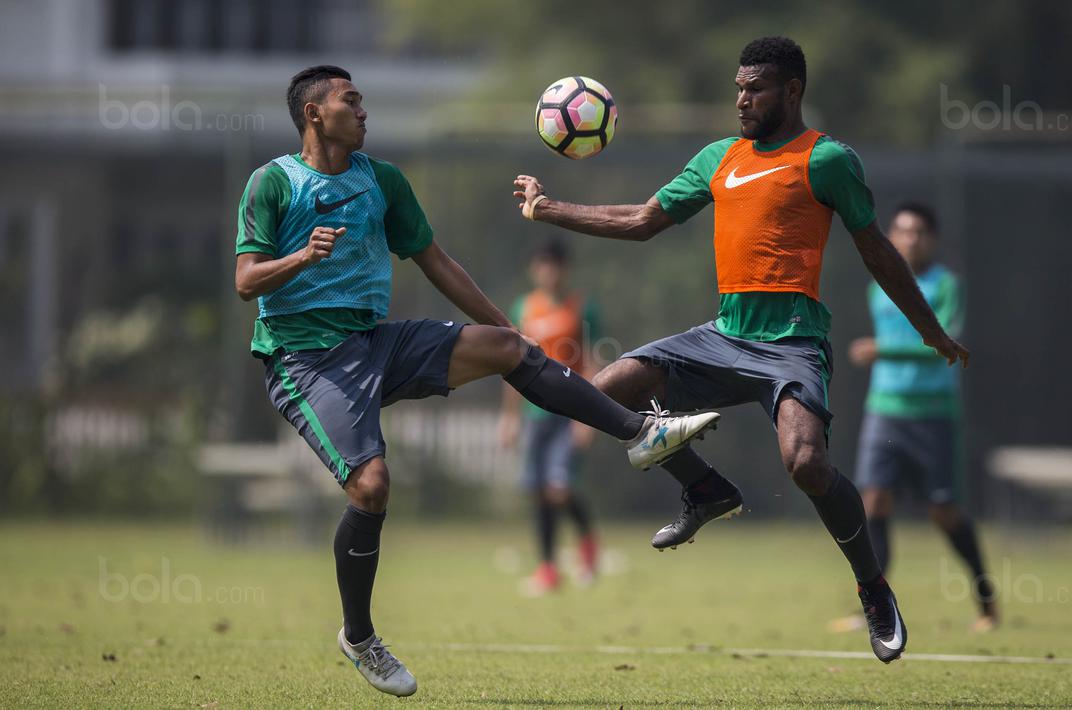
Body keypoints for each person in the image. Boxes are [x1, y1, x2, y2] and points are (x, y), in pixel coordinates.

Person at [234, 65, 722, 697]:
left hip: (376, 342)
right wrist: (303, 256)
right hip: (305, 358)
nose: (362, 110)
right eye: (349, 101)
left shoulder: (382, 181)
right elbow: (246, 281)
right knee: (372, 486)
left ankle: (639, 432)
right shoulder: (272, 182)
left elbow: (436, 262)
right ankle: (359, 636)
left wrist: (508, 335)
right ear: (313, 114)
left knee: (501, 345)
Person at [512, 37, 969, 663]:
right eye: (738, 87)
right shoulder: (719, 157)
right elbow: (643, 220)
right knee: (605, 389)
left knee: (806, 463)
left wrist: (929, 329)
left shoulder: (828, 159)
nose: (742, 98)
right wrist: (549, 208)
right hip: (723, 335)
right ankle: (705, 489)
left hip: (792, 344)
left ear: (793, 91)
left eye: (755, 87)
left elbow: (877, 251)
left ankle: (873, 586)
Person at [847, 202, 998, 631]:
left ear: (932, 238)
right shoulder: (880, 284)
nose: (908, 239)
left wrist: (882, 351)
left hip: (934, 414)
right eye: (900, 231)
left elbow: (946, 343)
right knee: (873, 501)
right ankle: (878, 605)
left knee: (943, 512)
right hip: (884, 411)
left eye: (917, 232)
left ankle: (986, 600)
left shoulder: (947, 285)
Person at [498, 240, 603, 595]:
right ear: (534, 269)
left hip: (569, 411)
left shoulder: (582, 308)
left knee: (559, 488)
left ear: (565, 269)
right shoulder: (524, 307)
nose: (549, 272)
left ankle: (588, 546)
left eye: (555, 265)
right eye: (543, 265)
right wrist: (509, 418)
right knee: (539, 492)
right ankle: (548, 569)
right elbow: (512, 365)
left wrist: (588, 418)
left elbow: (590, 362)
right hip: (534, 413)